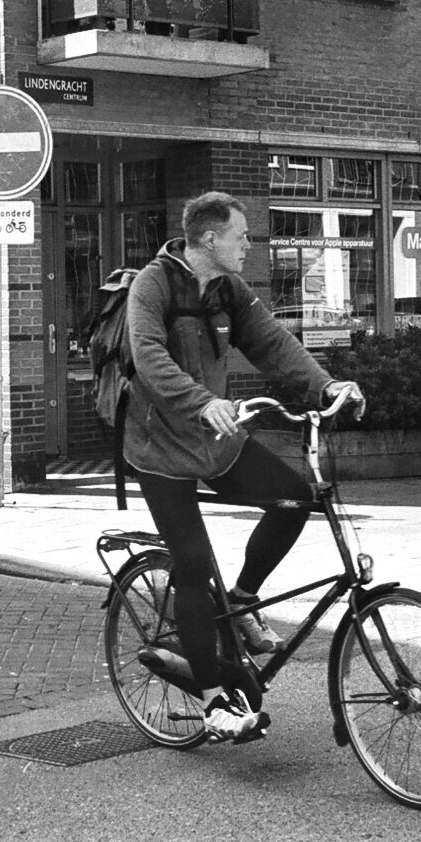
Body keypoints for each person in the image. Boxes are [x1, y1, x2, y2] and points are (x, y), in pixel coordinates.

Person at [124, 191, 364, 741]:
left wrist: (326, 385)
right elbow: (149, 356)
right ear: (209, 238)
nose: (249, 245)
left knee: (297, 497)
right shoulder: (153, 284)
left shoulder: (229, 290)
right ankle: (212, 701)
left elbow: (274, 344)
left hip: (219, 440)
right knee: (189, 562)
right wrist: (201, 401)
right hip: (162, 448)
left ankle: (241, 600)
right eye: (242, 235)